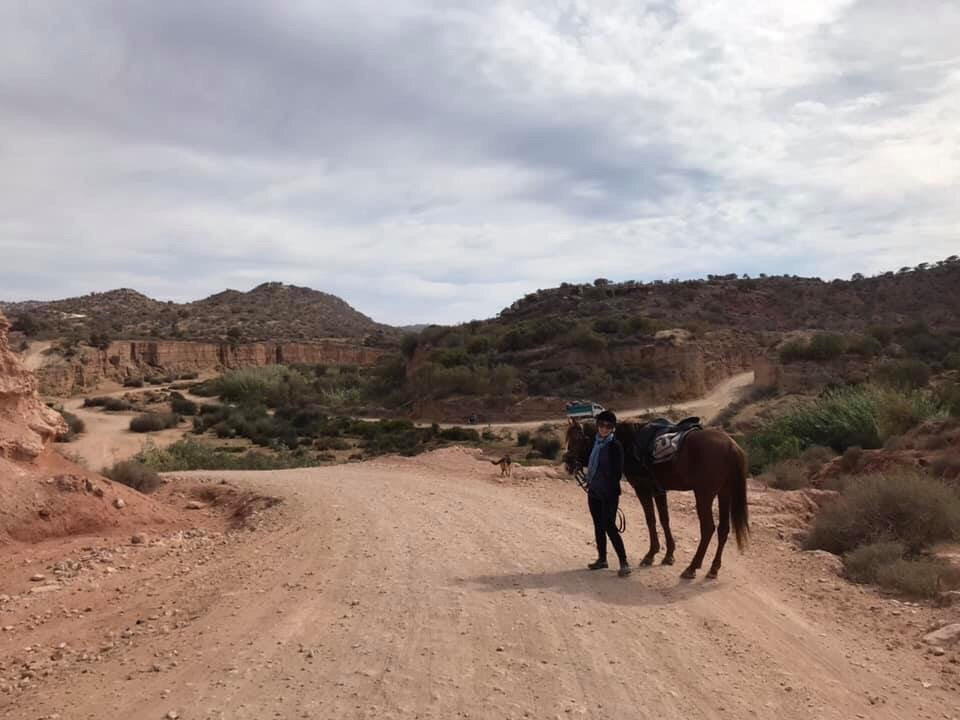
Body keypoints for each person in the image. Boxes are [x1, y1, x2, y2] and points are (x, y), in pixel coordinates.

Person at [584, 410, 631, 577]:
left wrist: (607, 487)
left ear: (613, 428)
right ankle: (602, 559)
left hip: (609, 493)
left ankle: (624, 562)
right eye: (602, 425)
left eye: (608, 426)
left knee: (610, 526)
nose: (604, 429)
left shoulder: (614, 446)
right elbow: (587, 461)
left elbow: (618, 473)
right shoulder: (594, 443)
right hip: (594, 491)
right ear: (598, 425)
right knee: (598, 525)